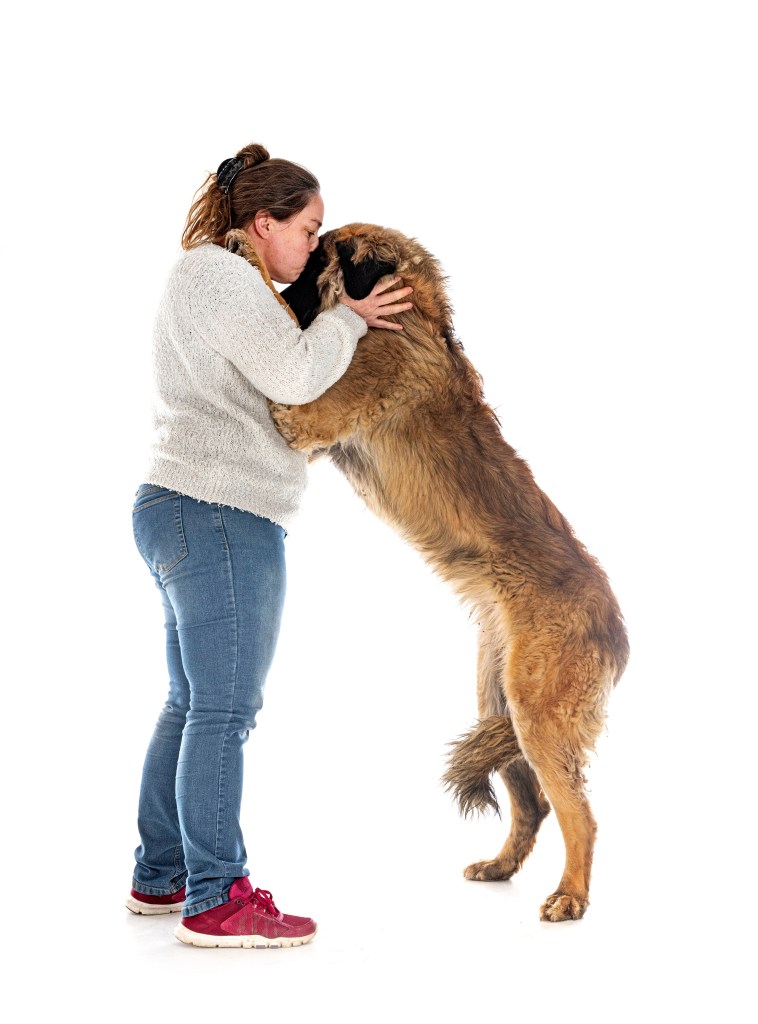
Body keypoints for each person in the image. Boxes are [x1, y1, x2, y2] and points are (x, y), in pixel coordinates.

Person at [126, 142, 413, 948]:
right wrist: (349, 319)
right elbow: (294, 374)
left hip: (190, 506)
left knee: (192, 705)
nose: (315, 247)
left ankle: (164, 875)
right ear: (263, 224)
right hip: (219, 512)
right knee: (224, 710)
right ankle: (216, 899)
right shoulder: (219, 274)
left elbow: (267, 388)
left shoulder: (216, 279)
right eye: (308, 228)